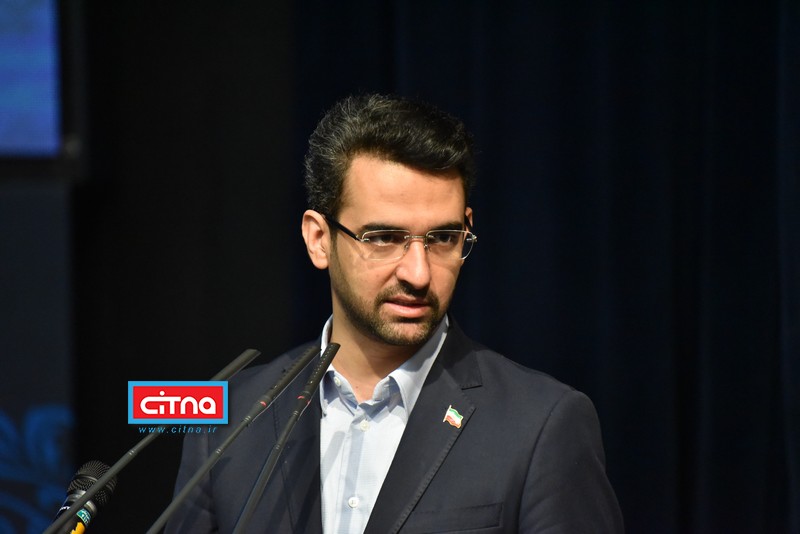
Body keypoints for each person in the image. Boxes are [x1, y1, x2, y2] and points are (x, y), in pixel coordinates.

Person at [166, 93, 623, 533]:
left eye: (443, 238)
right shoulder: (228, 416)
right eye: (384, 238)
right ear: (319, 239)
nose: (419, 274)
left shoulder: (540, 425)